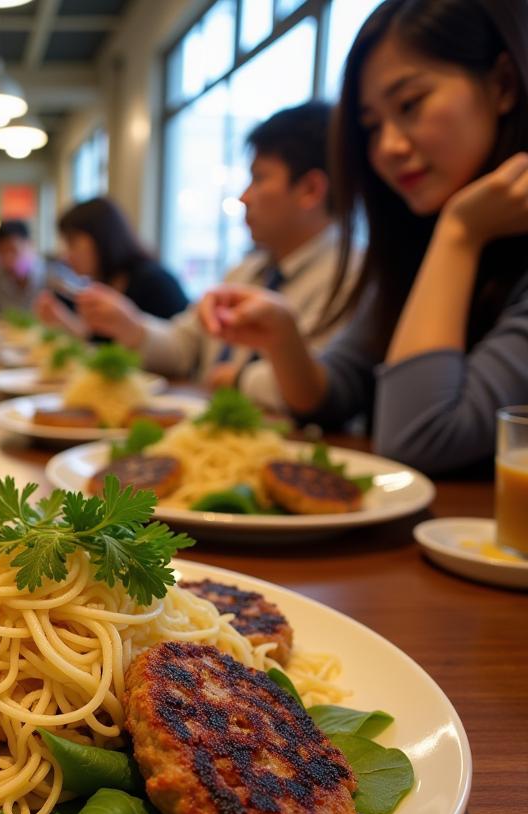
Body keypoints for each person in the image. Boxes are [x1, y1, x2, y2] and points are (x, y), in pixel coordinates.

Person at [199, 0, 528, 475]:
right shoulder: (414, 245)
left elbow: (420, 438)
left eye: (411, 104)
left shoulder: (454, 237)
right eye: (372, 126)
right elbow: (335, 394)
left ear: (502, 85)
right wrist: (284, 338)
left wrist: (459, 234)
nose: (389, 146)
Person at [76, 103, 355, 411]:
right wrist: (130, 326)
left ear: (311, 189)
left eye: (259, 178)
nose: (244, 197)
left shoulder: (351, 274)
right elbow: (185, 346)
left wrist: (240, 379)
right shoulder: (244, 272)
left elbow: (331, 386)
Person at [34, 196, 188, 340]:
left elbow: (178, 356)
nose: (66, 255)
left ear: (101, 238)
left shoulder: (155, 282)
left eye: (71, 243)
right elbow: (99, 346)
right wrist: (62, 321)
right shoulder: (105, 284)